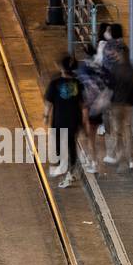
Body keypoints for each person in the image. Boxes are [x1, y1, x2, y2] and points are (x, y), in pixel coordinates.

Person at [44, 54, 85, 188]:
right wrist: (84, 122)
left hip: (59, 120)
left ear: (61, 68)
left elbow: (48, 103)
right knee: (71, 145)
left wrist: (45, 116)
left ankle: (64, 169)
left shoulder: (55, 83)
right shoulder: (78, 84)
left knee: (59, 147)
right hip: (74, 120)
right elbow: (83, 104)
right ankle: (70, 172)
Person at [105, 45, 133, 169]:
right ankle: (131, 160)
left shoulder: (114, 69)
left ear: (119, 55)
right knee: (128, 132)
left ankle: (116, 155)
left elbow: (109, 87)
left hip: (116, 105)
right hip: (130, 106)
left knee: (117, 131)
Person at [75, 55, 112, 174]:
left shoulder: (82, 83)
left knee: (87, 139)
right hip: (97, 113)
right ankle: (91, 160)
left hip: (87, 114)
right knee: (92, 138)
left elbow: (82, 103)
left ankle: (93, 163)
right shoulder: (99, 81)